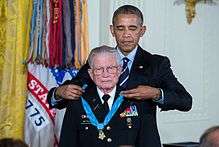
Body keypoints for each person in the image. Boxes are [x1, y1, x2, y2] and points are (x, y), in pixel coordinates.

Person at [47, 4, 192, 146]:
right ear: (112, 30)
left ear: (142, 30)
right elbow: (74, 88)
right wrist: (58, 93)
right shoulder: (100, 59)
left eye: (133, 28)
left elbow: (185, 101)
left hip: (140, 139)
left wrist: (155, 93)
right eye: (120, 28)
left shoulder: (156, 64)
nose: (126, 34)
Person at [59, 45, 147, 147]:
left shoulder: (136, 100)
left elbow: (148, 142)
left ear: (119, 70)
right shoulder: (77, 103)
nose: (105, 74)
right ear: (91, 74)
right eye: (99, 69)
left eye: (111, 68)